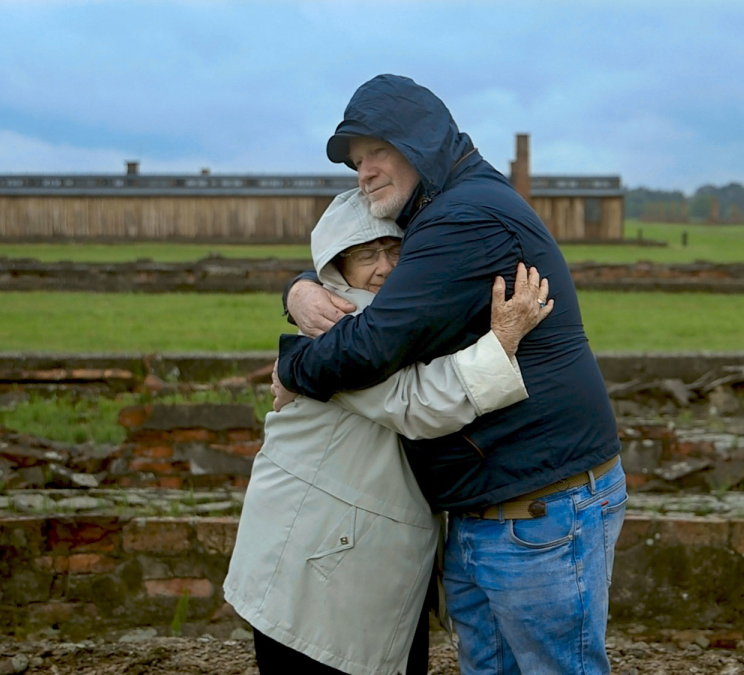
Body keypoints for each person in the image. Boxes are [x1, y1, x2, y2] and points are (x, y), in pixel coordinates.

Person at [275, 74, 626, 674]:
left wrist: (292, 365)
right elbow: (360, 290)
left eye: (376, 150)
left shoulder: (463, 218)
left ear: (421, 139)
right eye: (357, 162)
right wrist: (297, 291)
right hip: (493, 507)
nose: (364, 172)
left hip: (538, 506)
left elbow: (371, 345)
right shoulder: (448, 210)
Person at [224, 188, 554, 675]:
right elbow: (417, 403)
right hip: (318, 552)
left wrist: (296, 287)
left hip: (343, 544)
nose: (384, 267)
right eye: (365, 255)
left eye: (396, 250)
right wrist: (502, 341)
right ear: (337, 266)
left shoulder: (392, 317)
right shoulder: (345, 326)